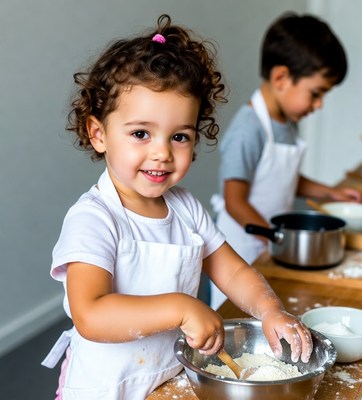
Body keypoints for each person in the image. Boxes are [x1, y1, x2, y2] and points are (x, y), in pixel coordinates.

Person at [41, 14, 313, 400]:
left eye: (180, 136)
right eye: (140, 133)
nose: (162, 153)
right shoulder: (94, 218)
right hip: (105, 389)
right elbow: (92, 314)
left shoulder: (185, 208)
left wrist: (269, 310)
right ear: (98, 133)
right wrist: (182, 307)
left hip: (166, 382)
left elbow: (232, 270)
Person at [209, 12, 362, 310]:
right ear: (281, 77)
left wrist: (330, 193)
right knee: (238, 314)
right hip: (242, 250)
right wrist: (277, 239)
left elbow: (286, 176)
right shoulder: (249, 129)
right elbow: (234, 201)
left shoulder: (286, 122)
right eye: (316, 94)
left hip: (271, 246)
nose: (318, 105)